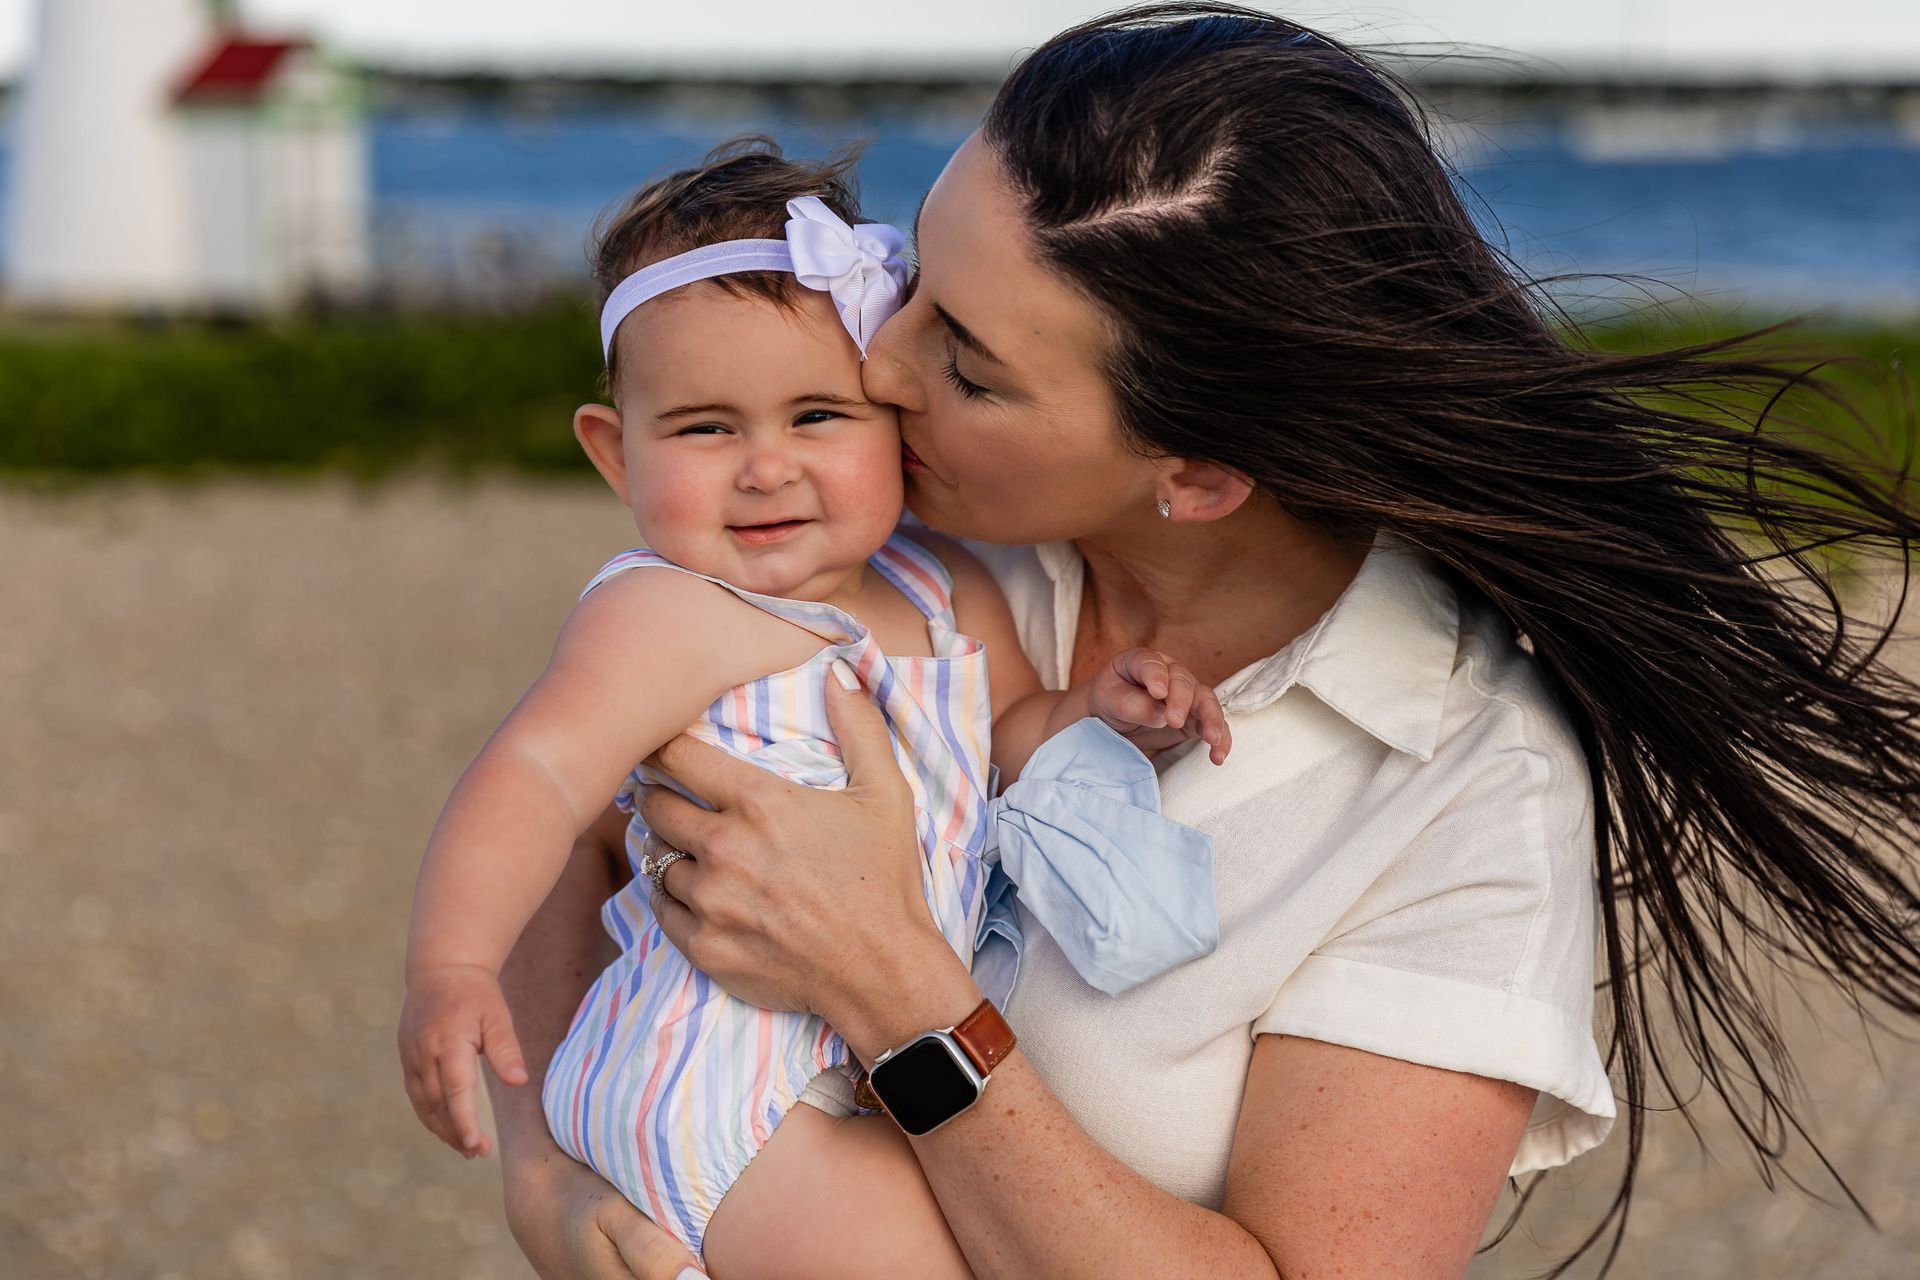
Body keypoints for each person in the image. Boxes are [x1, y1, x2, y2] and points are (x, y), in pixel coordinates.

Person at [487, 7, 1920, 1279]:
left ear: (1199, 471)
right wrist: (551, 1175)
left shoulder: (1459, 783)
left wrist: (896, 992)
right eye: (908, 279)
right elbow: (571, 828)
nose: (873, 365)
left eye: (967, 364)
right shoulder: (894, 541)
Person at [396, 141, 1233, 1275]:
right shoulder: (668, 611)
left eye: (817, 416)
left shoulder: (942, 592)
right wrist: (450, 964)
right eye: (704, 427)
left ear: (895, 421)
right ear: (615, 453)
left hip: (839, 1078)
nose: (765, 466)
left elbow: (1010, 740)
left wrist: (1107, 708)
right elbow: (536, 778)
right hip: (720, 1079)